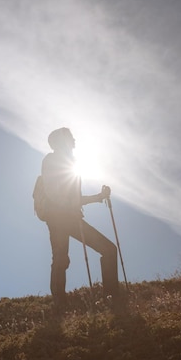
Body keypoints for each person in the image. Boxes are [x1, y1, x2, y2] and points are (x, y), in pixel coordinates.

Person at [41, 127, 119, 307]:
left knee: (107, 250)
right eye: (70, 137)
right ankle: (60, 304)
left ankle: (111, 296)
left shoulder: (70, 163)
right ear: (62, 141)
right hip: (58, 219)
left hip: (69, 217)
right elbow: (53, 192)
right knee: (61, 258)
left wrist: (99, 197)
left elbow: (74, 199)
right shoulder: (52, 160)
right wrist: (71, 205)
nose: (74, 140)